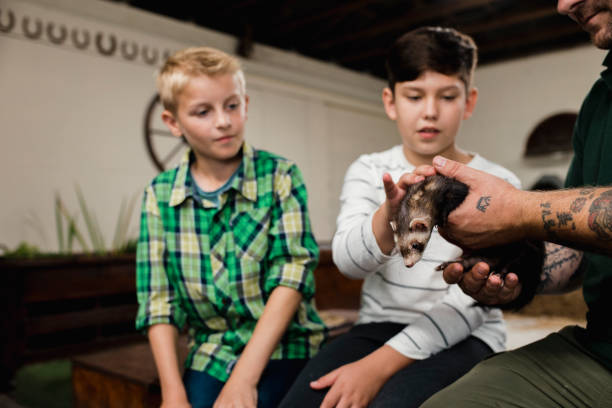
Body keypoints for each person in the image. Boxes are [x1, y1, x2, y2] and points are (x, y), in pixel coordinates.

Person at [280, 27, 521, 408]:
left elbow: (475, 305)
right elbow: (347, 263)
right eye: (414, 96)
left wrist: (375, 369)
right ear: (390, 102)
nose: (429, 111)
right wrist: (387, 218)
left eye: (447, 96)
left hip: (466, 335)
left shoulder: (501, 185)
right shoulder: (369, 168)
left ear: (469, 101)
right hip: (377, 327)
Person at [420, 1, 612, 406]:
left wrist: (517, 210)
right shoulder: (599, 101)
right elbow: (577, 255)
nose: (564, 5)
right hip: (600, 352)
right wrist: (512, 268)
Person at [135, 47, 326, 408]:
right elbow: (158, 301)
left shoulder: (280, 176)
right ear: (173, 122)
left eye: (232, 105)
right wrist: (172, 393)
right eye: (203, 112)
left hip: (286, 344)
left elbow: (292, 274)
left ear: (246, 104)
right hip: (211, 349)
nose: (223, 121)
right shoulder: (158, 196)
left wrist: (243, 380)